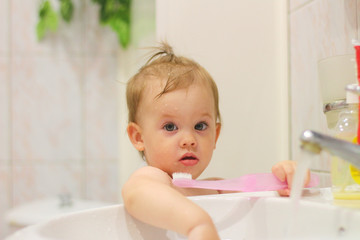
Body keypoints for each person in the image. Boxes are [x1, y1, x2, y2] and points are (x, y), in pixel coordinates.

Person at [122, 42, 310, 240]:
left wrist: (287, 178)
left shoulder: (216, 188)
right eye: (170, 127)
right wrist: (197, 224)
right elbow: (136, 194)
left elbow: (261, 198)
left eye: (200, 126)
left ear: (215, 135)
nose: (189, 140)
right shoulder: (152, 178)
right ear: (138, 137)